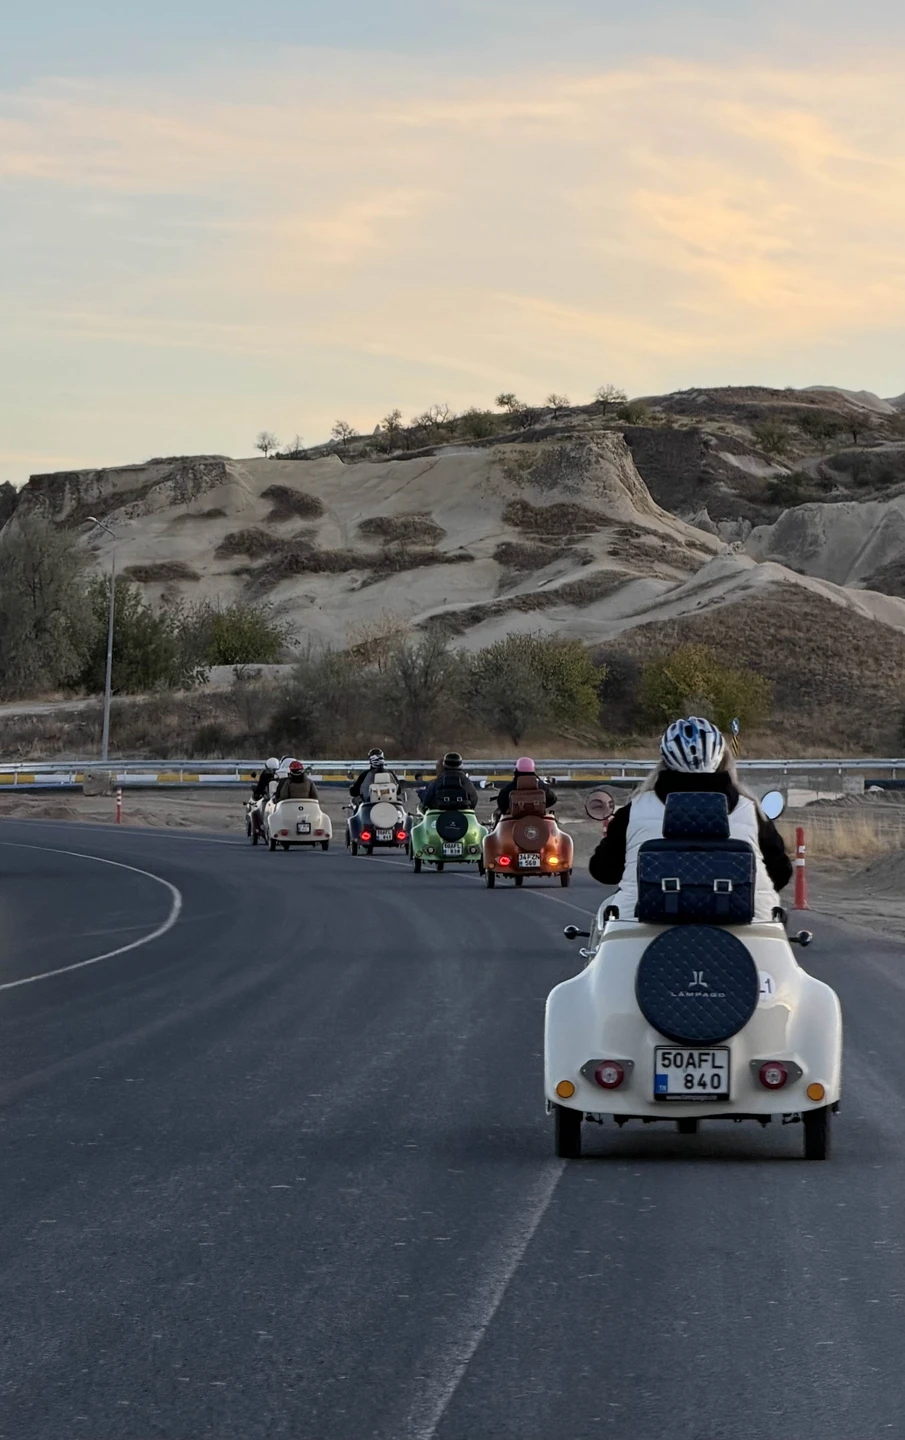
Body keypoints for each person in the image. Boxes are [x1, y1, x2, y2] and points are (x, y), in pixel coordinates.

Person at [589, 716, 792, 923]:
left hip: (641, 924)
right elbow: (780, 872)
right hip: (749, 923)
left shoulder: (636, 809)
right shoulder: (750, 809)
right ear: (723, 759)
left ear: (664, 762)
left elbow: (604, 871)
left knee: (607, 915)